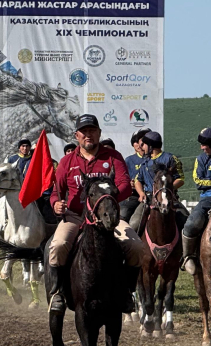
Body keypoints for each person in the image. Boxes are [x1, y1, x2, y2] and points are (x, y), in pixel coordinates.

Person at [45, 114, 150, 314]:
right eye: (84, 132)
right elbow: (56, 191)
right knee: (57, 246)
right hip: (75, 216)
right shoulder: (67, 161)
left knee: (136, 247)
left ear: (99, 133)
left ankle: (128, 292)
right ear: (77, 135)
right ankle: (58, 292)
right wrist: (55, 204)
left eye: (92, 131)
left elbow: (124, 186)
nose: (88, 135)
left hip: (108, 218)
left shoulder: (113, 157)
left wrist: (105, 202)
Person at [181, 127, 211, 276]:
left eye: (205, 145)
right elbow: (198, 181)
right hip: (207, 198)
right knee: (191, 223)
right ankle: (188, 256)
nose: (202, 148)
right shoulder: (201, 159)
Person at [131, 131, 186, 231]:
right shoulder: (144, 162)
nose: (142, 147)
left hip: (170, 199)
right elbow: (138, 180)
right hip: (148, 200)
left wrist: (166, 190)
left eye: (144, 145)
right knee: (134, 225)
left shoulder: (170, 158)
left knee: (186, 223)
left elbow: (180, 179)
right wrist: (141, 193)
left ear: (150, 145)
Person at [121, 129, 150, 221]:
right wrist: (129, 184)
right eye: (136, 141)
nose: (139, 144)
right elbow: (123, 179)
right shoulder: (129, 160)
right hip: (134, 196)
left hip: (154, 195)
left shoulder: (157, 158)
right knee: (123, 214)